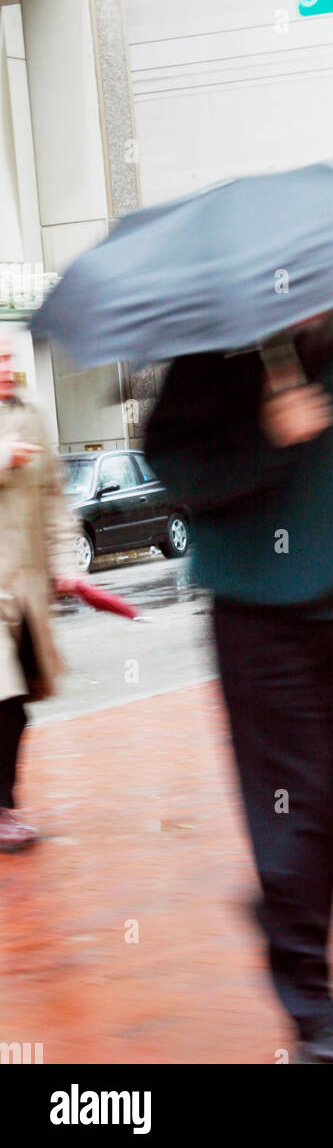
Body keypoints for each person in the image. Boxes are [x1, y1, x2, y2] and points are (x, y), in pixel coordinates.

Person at [144, 309, 333, 1064]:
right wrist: (265, 438)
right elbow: (174, 466)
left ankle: (279, 908)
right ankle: (313, 1013)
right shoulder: (214, 355)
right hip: (261, 621)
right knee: (296, 815)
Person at [0, 328, 79, 852]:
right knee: (4, 703)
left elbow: (54, 496)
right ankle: (3, 811)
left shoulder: (30, 415)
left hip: (23, 587)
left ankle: (5, 807)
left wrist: (67, 564)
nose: (8, 366)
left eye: (10, 357)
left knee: (19, 705)